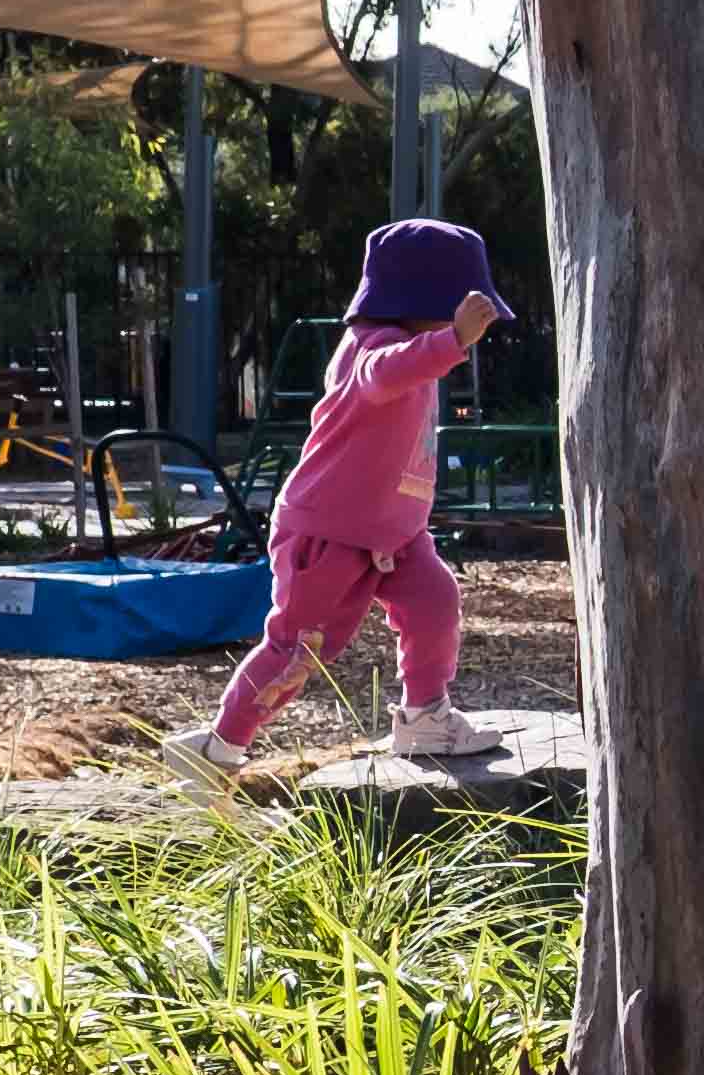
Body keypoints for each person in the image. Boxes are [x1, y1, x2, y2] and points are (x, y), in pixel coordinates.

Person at [168, 217, 514, 794]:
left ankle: (426, 715)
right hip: (328, 531)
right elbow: (383, 377)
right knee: (296, 651)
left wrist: (444, 344)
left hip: (395, 531)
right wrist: (451, 341)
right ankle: (218, 750)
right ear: (421, 299)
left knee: (435, 601)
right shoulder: (370, 350)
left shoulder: (420, 356)